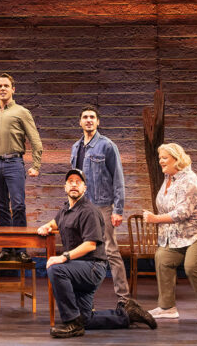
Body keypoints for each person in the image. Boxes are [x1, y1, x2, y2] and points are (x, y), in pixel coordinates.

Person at [36, 169, 156, 338]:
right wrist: (46, 226)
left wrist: (63, 257)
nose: (74, 184)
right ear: (65, 187)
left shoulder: (88, 210)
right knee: (85, 319)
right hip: (78, 268)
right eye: (70, 181)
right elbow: (56, 222)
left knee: (56, 269)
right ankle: (128, 314)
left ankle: (72, 324)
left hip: (92, 267)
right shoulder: (65, 210)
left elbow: (90, 245)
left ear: (85, 188)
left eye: (78, 182)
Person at [143, 142, 197, 322]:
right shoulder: (169, 178)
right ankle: (167, 307)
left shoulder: (189, 180)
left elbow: (182, 213)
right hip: (184, 234)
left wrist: (155, 219)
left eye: (164, 158)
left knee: (193, 266)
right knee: (163, 258)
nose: (161, 161)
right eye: (160, 158)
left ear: (177, 159)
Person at [69, 105, 130, 308]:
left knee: (111, 251)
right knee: (82, 252)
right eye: (85, 117)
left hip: (103, 206)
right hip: (81, 208)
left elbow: (118, 179)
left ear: (98, 122)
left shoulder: (107, 146)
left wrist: (118, 209)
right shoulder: (76, 147)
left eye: (92, 117)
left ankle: (124, 299)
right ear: (80, 122)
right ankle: (84, 301)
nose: (88, 120)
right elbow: (74, 181)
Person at [0, 72, 43, 262]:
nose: (3, 89)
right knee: (1, 206)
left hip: (14, 163)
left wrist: (36, 164)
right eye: (0, 86)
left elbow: (35, 140)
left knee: (18, 205)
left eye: (6, 86)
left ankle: (20, 249)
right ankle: (7, 249)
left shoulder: (21, 112)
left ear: (13, 89)